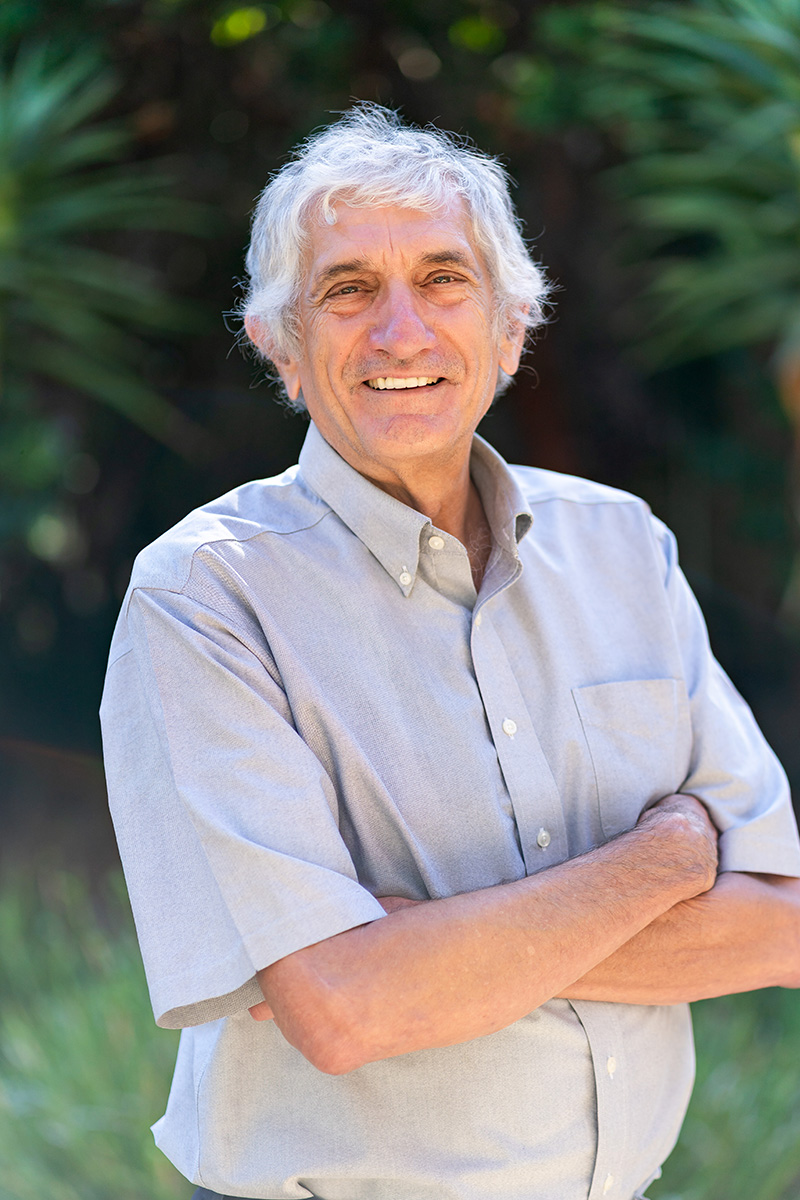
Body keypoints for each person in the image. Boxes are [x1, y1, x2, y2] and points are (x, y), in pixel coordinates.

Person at [100, 105, 800, 1200]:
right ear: (282, 347)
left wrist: (420, 952)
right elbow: (344, 1010)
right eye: (347, 290)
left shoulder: (621, 543)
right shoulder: (204, 597)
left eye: (442, 280)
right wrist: (664, 863)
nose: (401, 333)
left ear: (510, 330)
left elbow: (779, 925)